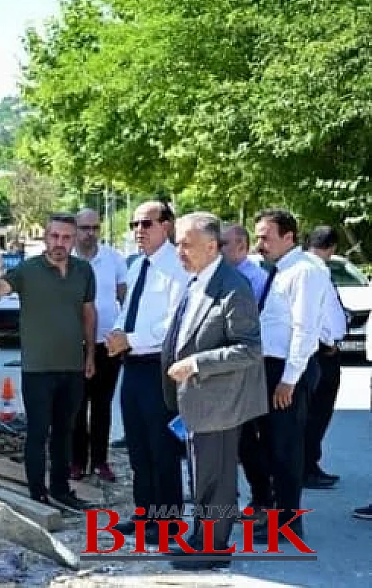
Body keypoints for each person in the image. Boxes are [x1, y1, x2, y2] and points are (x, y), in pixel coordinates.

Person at [161, 212, 267, 570]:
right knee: (202, 474)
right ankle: (199, 537)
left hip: (220, 403)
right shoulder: (197, 281)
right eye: (178, 243)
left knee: (217, 478)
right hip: (197, 401)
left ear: (211, 245)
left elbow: (249, 348)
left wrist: (197, 363)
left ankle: (213, 547)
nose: (180, 251)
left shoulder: (233, 286)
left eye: (186, 244)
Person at [0, 213, 97, 510]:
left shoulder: (84, 271)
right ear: (45, 237)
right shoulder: (28, 270)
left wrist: (90, 355)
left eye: (66, 237)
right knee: (38, 432)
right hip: (37, 368)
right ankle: (38, 494)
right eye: (54, 236)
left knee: (66, 431)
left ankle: (61, 489)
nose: (59, 243)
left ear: (74, 240)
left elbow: (88, 314)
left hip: (72, 366)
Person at [239, 208, 330, 539]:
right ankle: (274, 512)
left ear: (289, 237)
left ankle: (289, 524)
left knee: (286, 449)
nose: (260, 244)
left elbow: (305, 330)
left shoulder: (304, 272)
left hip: (288, 369)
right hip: (269, 367)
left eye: (266, 236)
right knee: (268, 446)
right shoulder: (281, 270)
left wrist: (289, 380)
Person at [105, 201, 190, 540]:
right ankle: (145, 515)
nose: (139, 230)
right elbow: (129, 309)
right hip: (133, 365)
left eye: (147, 224)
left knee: (162, 448)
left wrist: (131, 338)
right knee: (138, 445)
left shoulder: (178, 267)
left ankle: (168, 522)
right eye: (134, 224)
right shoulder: (138, 265)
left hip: (160, 365)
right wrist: (117, 334)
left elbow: (175, 323)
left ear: (167, 225)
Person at [71, 208, 128, 483]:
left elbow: (124, 299)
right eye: (84, 228)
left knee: (102, 404)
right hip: (74, 343)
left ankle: (100, 461)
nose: (89, 233)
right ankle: (77, 462)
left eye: (94, 227)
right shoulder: (65, 259)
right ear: (76, 229)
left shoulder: (114, 259)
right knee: (76, 405)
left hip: (107, 343)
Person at [303, 226, 347, 490]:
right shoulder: (316, 270)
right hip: (321, 352)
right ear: (332, 248)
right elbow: (319, 315)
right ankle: (307, 467)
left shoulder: (307, 267)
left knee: (313, 412)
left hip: (318, 349)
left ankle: (309, 464)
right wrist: (328, 343)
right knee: (317, 412)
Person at [221, 223, 269, 303]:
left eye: (224, 243)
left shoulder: (257, 278)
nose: (218, 248)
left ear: (241, 246)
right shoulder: (219, 273)